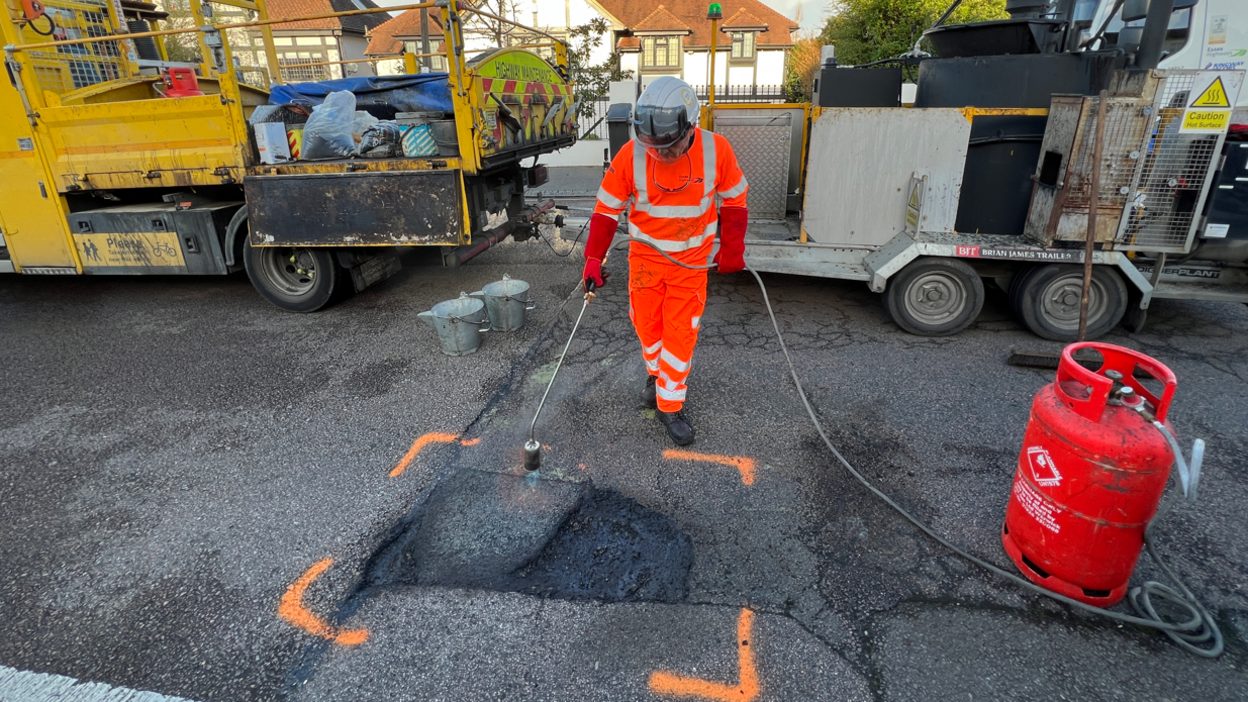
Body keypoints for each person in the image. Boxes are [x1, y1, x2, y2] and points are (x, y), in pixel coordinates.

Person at [582, 77, 749, 446]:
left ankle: (670, 405)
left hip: (690, 265)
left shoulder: (716, 150)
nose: (661, 154)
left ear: (691, 126)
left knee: (679, 335)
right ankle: (656, 376)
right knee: (647, 328)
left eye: (670, 147)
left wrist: (731, 249)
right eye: (654, 147)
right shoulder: (631, 153)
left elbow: (735, 201)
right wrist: (594, 257)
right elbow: (607, 211)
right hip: (645, 262)